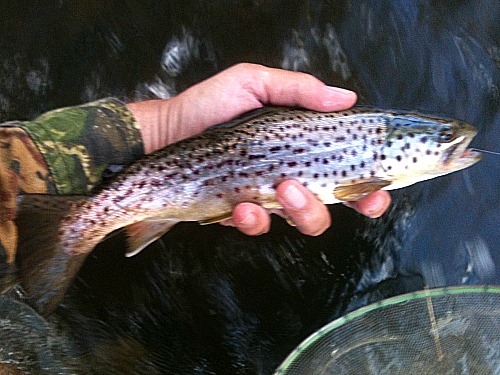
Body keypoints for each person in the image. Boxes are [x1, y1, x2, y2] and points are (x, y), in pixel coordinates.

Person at [0, 63, 391, 266]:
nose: (454, 147)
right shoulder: (379, 166)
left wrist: (167, 122)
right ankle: (68, 230)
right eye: (443, 139)